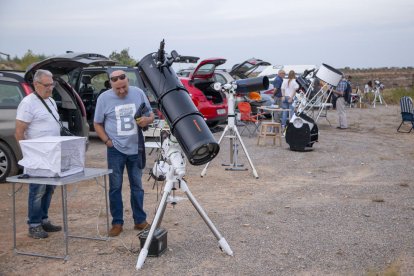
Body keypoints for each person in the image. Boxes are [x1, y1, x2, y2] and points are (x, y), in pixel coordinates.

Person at [94, 70, 154, 237]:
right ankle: (117, 223)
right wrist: (107, 141)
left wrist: (147, 120)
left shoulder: (139, 93)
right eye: (117, 88)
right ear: (111, 84)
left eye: (124, 87)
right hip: (115, 150)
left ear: (128, 81)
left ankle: (140, 220)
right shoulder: (103, 98)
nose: (121, 91)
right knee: (115, 187)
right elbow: (97, 123)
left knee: (137, 186)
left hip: (136, 148)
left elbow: (151, 114)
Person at [15, 69, 62, 239]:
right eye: (47, 85)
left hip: (52, 156)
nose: (51, 88)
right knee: (37, 191)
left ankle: (44, 219)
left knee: (49, 189)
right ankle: (34, 224)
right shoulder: (28, 103)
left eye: (52, 84)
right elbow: (19, 132)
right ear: (36, 84)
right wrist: (27, 157)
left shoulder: (50, 101)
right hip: (37, 158)